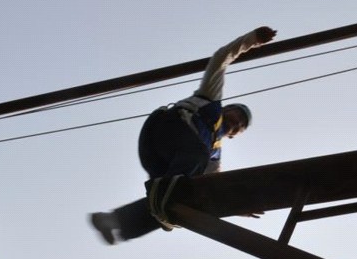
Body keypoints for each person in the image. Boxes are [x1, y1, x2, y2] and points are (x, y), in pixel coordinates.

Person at [90, 26, 277, 245]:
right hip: (166, 128)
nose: (237, 122)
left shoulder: (213, 156)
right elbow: (220, 58)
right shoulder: (210, 98)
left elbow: (216, 186)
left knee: (176, 200)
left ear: (235, 135)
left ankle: (114, 222)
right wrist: (252, 39)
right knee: (187, 171)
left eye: (241, 126)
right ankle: (164, 197)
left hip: (165, 161)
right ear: (228, 108)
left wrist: (236, 205)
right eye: (238, 114)